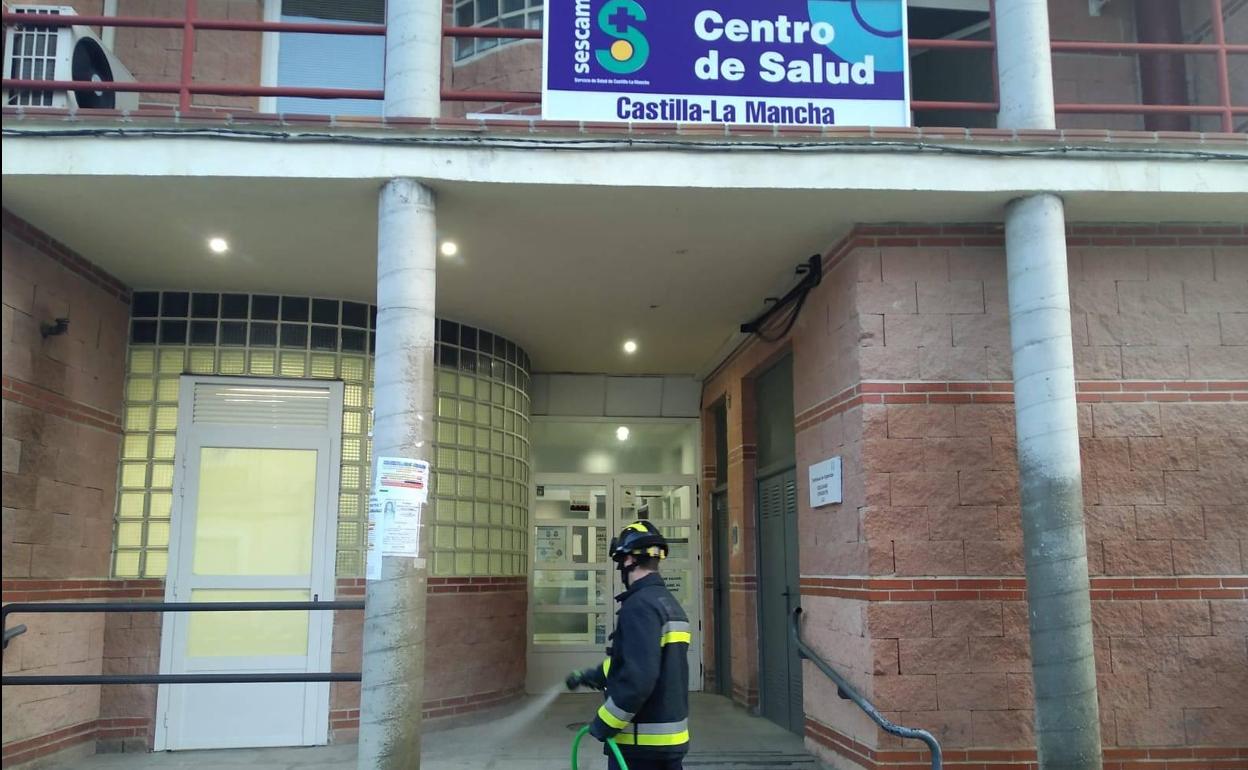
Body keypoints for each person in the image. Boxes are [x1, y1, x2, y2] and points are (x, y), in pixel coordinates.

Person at [566, 520, 691, 770]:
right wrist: (592, 676)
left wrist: (604, 722)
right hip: (668, 743)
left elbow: (638, 679)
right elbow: (643, 660)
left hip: (640, 745)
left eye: (620, 561)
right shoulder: (668, 603)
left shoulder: (638, 606)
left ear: (629, 560)